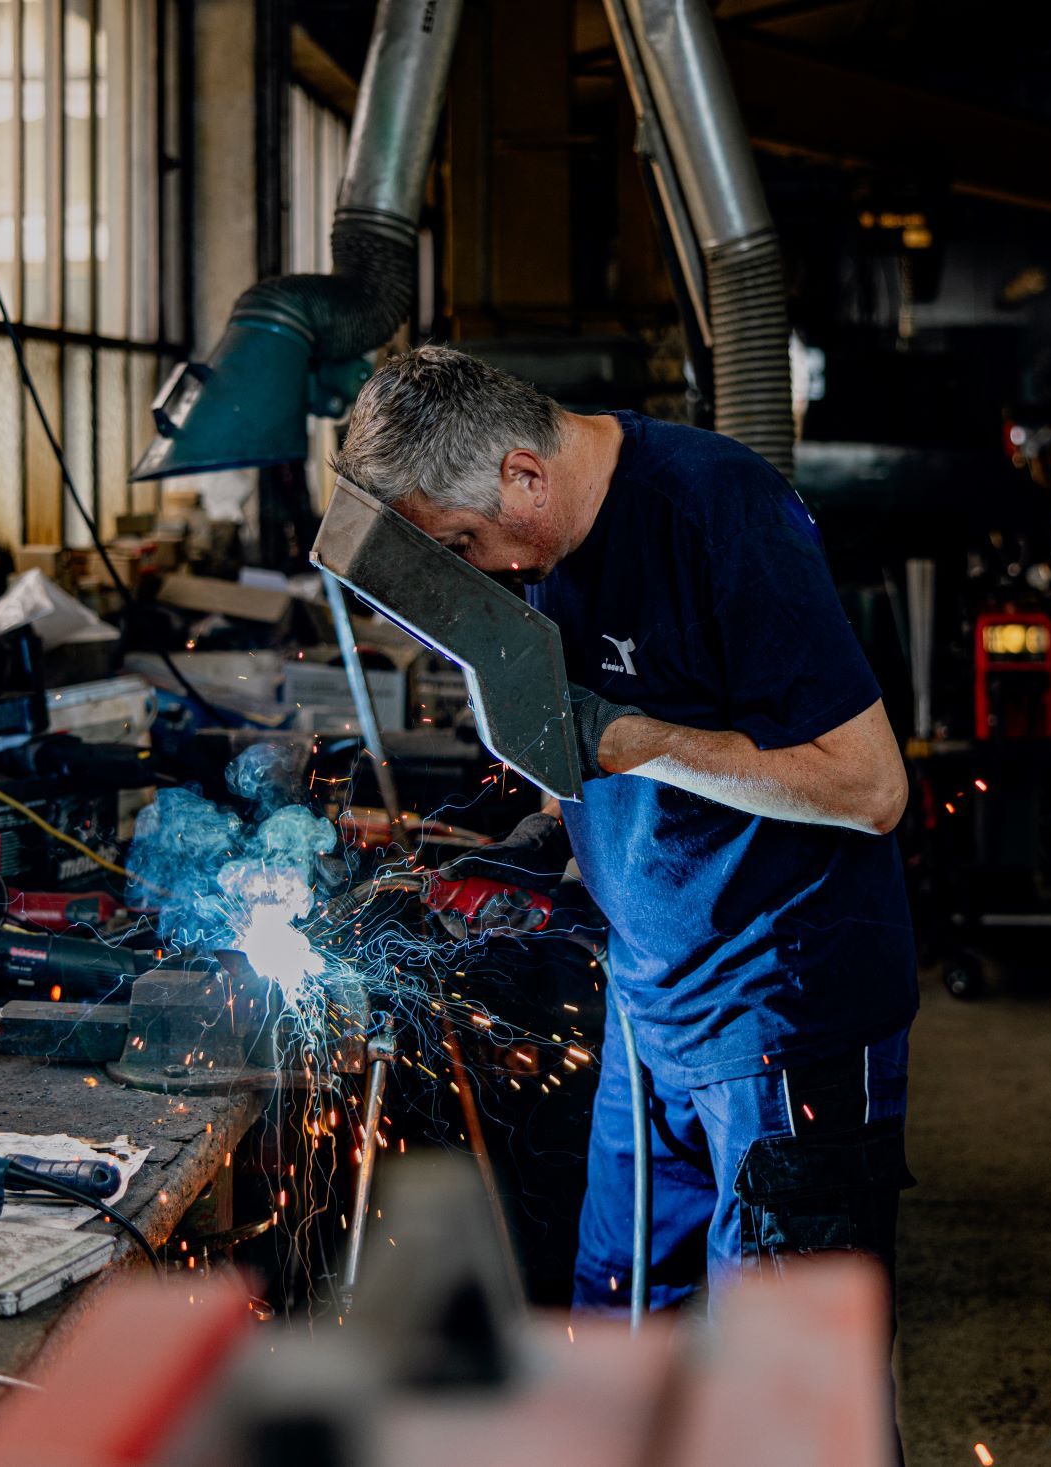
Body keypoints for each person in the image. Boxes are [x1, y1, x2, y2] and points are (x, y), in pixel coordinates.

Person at [331, 345, 916, 1315]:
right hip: (651, 1009)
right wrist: (542, 831)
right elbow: (593, 734)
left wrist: (635, 744)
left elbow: (869, 787)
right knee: (620, 1329)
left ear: (522, 474)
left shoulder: (716, 512)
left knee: (787, 1387)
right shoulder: (547, 545)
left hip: (784, 1014)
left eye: (467, 545)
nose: (477, 573)